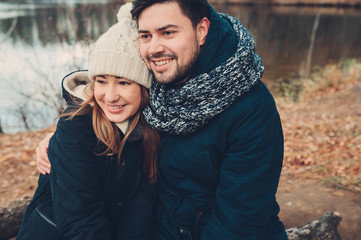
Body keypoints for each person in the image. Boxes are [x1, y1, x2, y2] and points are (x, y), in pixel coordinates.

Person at [36, 0, 288, 239]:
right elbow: (109, 81)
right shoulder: (156, 83)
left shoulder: (251, 109)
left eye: (168, 33)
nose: (154, 48)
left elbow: (239, 221)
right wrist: (58, 141)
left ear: (201, 30)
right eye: (146, 35)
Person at [17, 3, 158, 240]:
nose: (110, 95)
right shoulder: (76, 126)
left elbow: (141, 210)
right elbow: (79, 218)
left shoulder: (151, 129)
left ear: (145, 87)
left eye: (124, 82)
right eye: (101, 81)